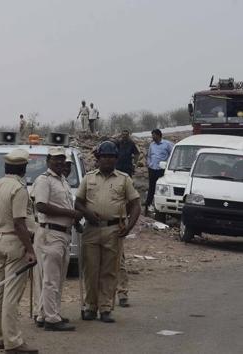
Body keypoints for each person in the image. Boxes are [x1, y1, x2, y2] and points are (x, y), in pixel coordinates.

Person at [0, 149, 38, 354]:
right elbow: (20, 223)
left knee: (0, 292)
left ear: (6, 167)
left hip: (1, 240)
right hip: (16, 241)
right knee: (11, 295)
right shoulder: (19, 189)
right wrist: (30, 250)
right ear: (23, 168)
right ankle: (13, 342)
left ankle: (0, 338)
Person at [75, 141, 141, 323]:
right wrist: (88, 213)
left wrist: (128, 228)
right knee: (91, 270)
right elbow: (78, 202)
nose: (108, 160)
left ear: (116, 159)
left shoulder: (124, 179)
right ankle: (90, 307)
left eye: (111, 157)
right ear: (98, 158)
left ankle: (105, 308)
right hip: (91, 229)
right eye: (104, 156)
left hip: (113, 230)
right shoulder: (88, 178)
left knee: (109, 271)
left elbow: (136, 205)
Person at [32, 147, 80, 331]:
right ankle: (51, 318)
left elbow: (65, 204)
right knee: (50, 278)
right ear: (48, 161)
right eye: (56, 160)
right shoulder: (44, 180)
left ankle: (47, 313)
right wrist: (70, 213)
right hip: (50, 233)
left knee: (57, 278)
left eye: (62, 160)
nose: (60, 163)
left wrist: (74, 219)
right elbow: (41, 206)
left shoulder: (63, 181)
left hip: (63, 233)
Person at [145, 129, 173, 214]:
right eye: (152, 135)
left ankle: (163, 206)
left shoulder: (167, 144)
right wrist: (149, 164)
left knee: (162, 188)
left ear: (159, 135)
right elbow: (149, 156)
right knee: (152, 187)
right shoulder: (151, 145)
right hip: (152, 169)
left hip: (162, 170)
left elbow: (172, 155)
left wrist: (167, 164)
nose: (153, 137)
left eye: (154, 135)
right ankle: (148, 204)